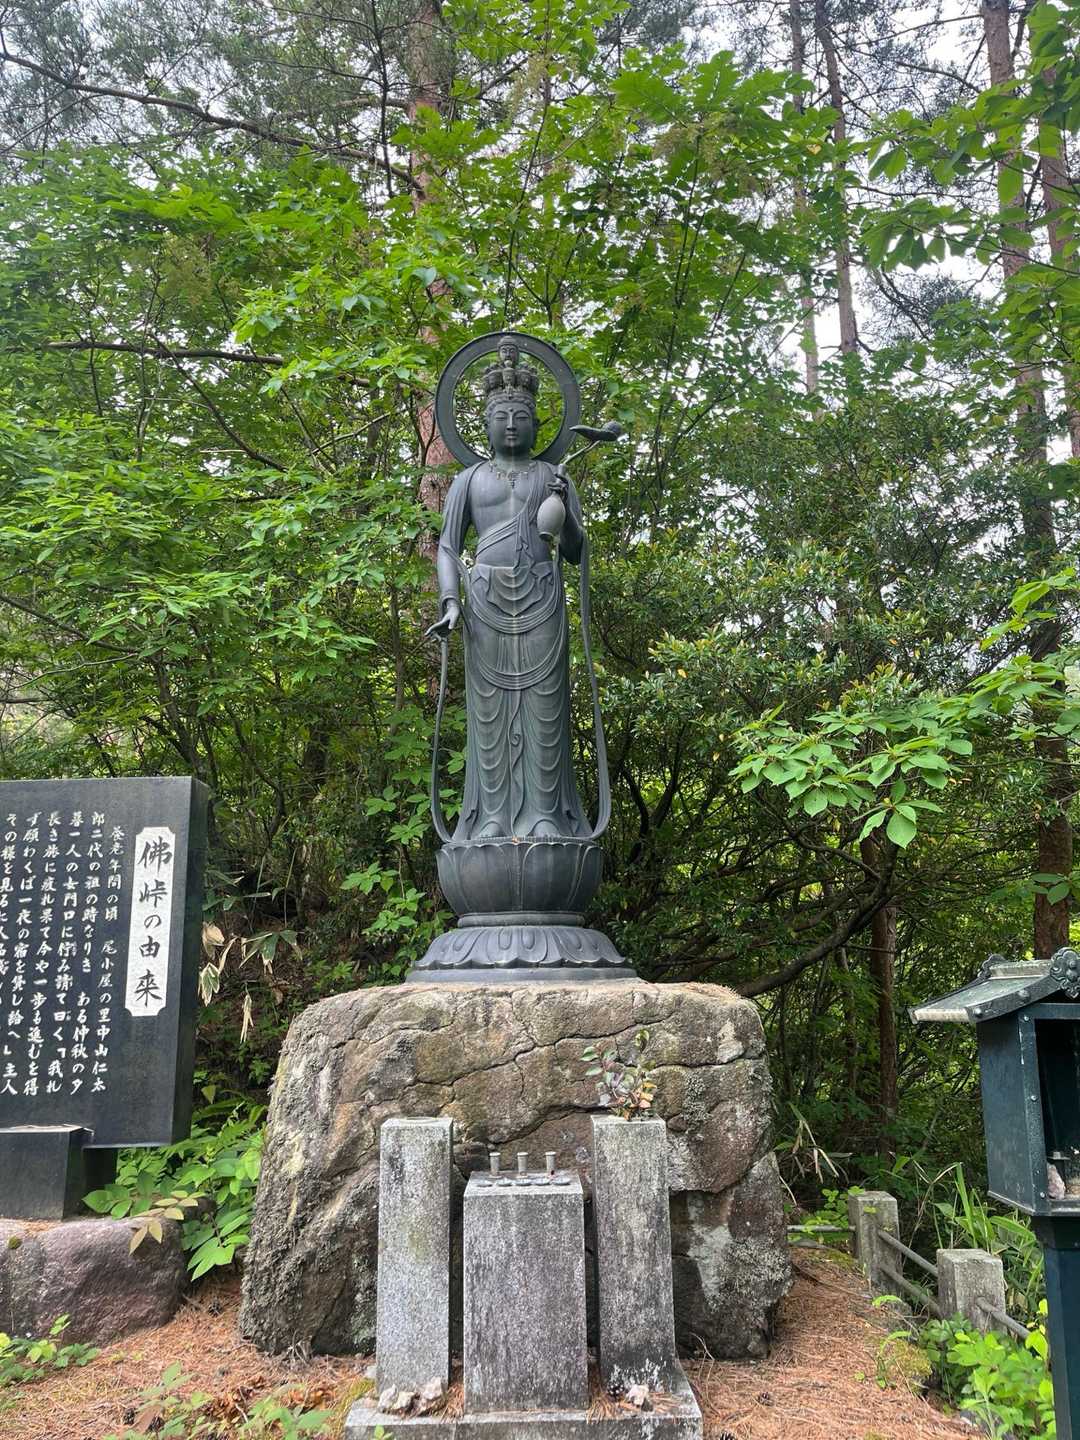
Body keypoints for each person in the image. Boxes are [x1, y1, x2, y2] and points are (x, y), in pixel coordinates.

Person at [427, 341, 590, 842]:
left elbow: (575, 552)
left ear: (538, 424)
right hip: (483, 604)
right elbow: (448, 548)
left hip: (542, 597)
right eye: (502, 417)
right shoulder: (468, 480)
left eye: (521, 416)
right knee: (489, 716)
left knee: (544, 711)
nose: (512, 425)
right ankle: (492, 816)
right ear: (486, 423)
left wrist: (563, 513)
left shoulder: (552, 476)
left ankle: (544, 815)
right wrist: (451, 603)